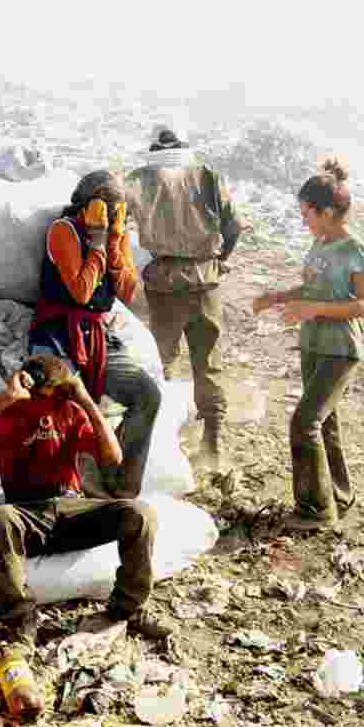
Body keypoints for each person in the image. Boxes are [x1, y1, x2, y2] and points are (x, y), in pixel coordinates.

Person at [0, 354, 174, 646]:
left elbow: (113, 456)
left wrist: (85, 400)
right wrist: (5, 399)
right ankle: (20, 621)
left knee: (140, 513)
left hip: (72, 508)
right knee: (0, 517)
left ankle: (129, 608)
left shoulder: (70, 409)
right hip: (27, 513)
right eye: (45, 395)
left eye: (57, 395)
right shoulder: (8, 413)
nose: (50, 404)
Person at [253, 157, 364, 530]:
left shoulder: (352, 249)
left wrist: (313, 308)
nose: (302, 219)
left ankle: (315, 511)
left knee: (304, 423)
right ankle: (339, 495)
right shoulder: (320, 244)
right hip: (314, 345)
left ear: (325, 212)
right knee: (325, 424)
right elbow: (311, 288)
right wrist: (277, 297)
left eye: (306, 212)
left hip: (340, 350)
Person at [28, 170, 162, 500]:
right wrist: (98, 244)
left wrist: (115, 245)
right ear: (93, 205)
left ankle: (122, 484)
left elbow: (128, 292)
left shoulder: (115, 235)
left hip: (95, 335)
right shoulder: (64, 230)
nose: (120, 214)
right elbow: (80, 292)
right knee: (73, 406)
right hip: (57, 335)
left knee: (148, 394)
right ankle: (89, 494)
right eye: (114, 207)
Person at [125, 125, 251, 471]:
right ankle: (212, 446)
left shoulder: (139, 179)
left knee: (158, 364)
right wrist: (221, 261)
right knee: (208, 364)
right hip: (206, 281)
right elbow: (235, 226)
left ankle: (154, 444)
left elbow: (116, 222)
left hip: (164, 284)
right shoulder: (208, 176)